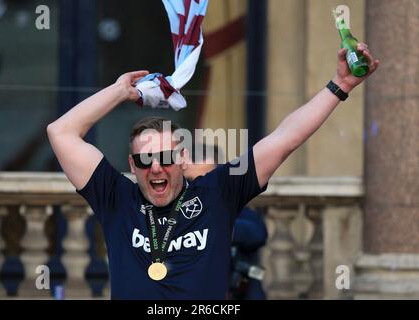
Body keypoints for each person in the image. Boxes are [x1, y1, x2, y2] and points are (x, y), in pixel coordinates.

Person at [47, 45, 379, 299]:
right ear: (133, 166)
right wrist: (121, 92)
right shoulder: (116, 198)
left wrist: (339, 85)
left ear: (182, 158)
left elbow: (284, 139)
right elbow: (60, 132)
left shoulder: (217, 192)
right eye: (145, 160)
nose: (156, 167)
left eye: (165, 157)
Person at [184, 143, 268, 300]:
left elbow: (258, 234)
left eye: (207, 179)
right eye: (190, 181)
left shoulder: (234, 207)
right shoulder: (171, 214)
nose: (199, 188)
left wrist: (220, 227)